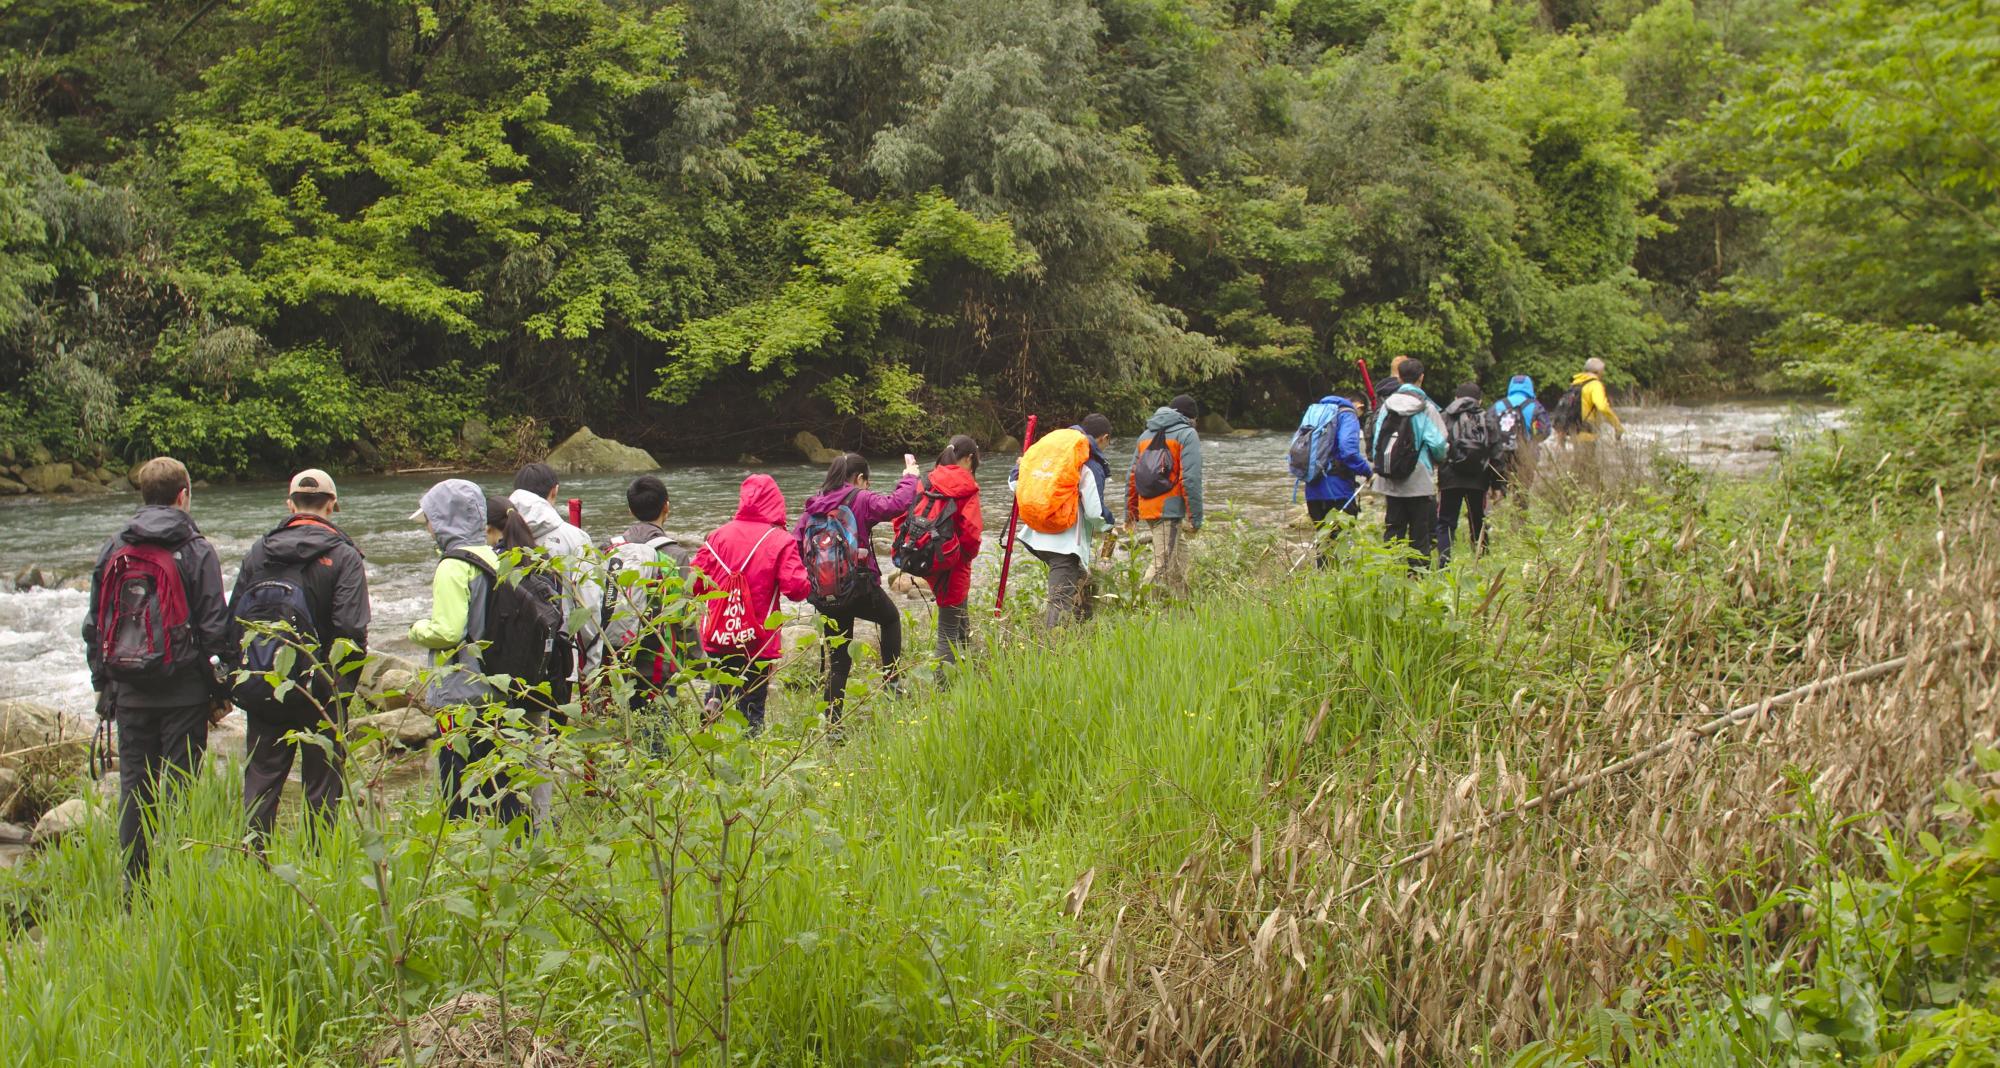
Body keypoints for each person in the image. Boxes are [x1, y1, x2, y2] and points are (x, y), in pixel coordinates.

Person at [82, 456, 232, 886]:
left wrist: (104, 685)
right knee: (180, 788)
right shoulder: (196, 549)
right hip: (183, 692)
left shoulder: (115, 546)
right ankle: (176, 881)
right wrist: (220, 690)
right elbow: (214, 629)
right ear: (183, 495)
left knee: (135, 788)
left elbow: (95, 624)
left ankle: (135, 886)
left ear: (143, 495)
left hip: (128, 691)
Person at [227, 468, 370, 843]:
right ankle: (320, 866)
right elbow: (351, 629)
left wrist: (235, 679)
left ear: (290, 504)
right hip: (320, 689)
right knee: (322, 787)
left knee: (261, 779)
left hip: (263, 683)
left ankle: (253, 865)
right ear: (333, 504)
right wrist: (342, 690)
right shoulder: (343, 555)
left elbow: (234, 622)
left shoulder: (259, 550)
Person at [408, 479, 518, 823]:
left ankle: (462, 846)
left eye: (429, 520)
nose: (427, 528)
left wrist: (416, 629)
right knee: (501, 778)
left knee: (459, 782)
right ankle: (515, 845)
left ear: (443, 519)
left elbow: (448, 631)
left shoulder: (452, 565)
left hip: (461, 690)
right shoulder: (497, 556)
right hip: (499, 686)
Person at [797, 451, 920, 722]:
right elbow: (896, 503)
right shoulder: (860, 498)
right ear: (860, 478)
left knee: (839, 661)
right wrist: (910, 478)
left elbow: (798, 548)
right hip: (859, 587)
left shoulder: (813, 507)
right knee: (890, 619)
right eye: (867, 481)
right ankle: (892, 685)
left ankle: (833, 725)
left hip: (825, 594)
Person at [691, 474, 809, 735]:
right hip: (758, 638)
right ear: (776, 502)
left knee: (722, 678)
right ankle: (750, 752)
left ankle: (713, 706)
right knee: (752, 702)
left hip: (720, 630)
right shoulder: (780, 540)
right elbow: (796, 589)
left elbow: (694, 584)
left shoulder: (716, 536)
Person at [508, 463, 603, 710]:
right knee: (555, 730)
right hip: (558, 651)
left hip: (506, 653)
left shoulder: (496, 530)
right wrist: (592, 662)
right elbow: (589, 603)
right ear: (555, 491)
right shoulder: (573, 537)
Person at [603, 475, 694, 720]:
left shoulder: (609, 549)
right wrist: (698, 660)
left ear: (630, 509)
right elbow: (681, 615)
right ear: (666, 506)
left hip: (612, 655)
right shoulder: (675, 555)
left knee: (621, 728)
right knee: (657, 731)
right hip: (658, 660)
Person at [1013, 416, 1111, 627]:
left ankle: (1085, 631)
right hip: (1064, 545)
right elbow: (1095, 512)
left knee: (1085, 582)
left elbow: (1014, 483)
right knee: (1059, 603)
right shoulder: (1089, 463)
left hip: (1035, 536)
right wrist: (1108, 524)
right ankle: (1051, 650)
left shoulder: (1052, 453)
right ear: (1104, 438)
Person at [897, 435, 984, 666]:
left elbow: (902, 517)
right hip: (953, 564)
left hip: (926, 557)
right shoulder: (967, 488)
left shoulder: (926, 480)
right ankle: (943, 691)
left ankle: (966, 672)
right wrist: (961, 558)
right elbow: (972, 536)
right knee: (947, 635)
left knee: (958, 618)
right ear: (968, 459)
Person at [1369, 358, 1449, 571]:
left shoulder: (1387, 405)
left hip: (1391, 476)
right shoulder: (1426, 408)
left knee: (1393, 529)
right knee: (1419, 533)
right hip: (1419, 478)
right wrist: (1439, 459)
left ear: (1399, 377)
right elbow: (1439, 443)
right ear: (1421, 378)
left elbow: (1377, 440)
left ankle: (1390, 575)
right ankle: (1418, 576)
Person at [1125, 395, 1205, 598]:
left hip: (1147, 507)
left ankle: (1183, 606)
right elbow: (1191, 479)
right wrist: (1195, 518)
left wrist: (1131, 513)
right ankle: (1137, 606)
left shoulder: (1145, 436)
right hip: (1168, 509)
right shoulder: (1187, 434)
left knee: (1179, 557)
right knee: (1162, 563)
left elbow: (1132, 476)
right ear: (1192, 418)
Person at [1291, 390, 1372, 568]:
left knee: (1324, 540)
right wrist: (1367, 471)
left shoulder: (1316, 412)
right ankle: (1338, 586)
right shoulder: (1348, 414)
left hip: (1313, 489)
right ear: (1360, 406)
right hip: (1337, 490)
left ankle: (1322, 584)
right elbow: (1348, 451)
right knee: (1340, 541)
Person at [1436, 382, 1505, 566]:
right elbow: (1496, 453)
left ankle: (1444, 563)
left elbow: (1437, 445)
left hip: (1450, 477)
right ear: (1480, 400)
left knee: (1445, 521)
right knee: (1478, 519)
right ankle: (1481, 562)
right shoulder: (1487, 418)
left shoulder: (1444, 417)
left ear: (1456, 398)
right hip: (1478, 477)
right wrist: (1498, 485)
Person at [1491, 373, 1550, 486]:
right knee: (1522, 491)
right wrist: (1533, 441)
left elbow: (1487, 429)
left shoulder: (1498, 405)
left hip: (1500, 455)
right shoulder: (1535, 406)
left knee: (1500, 489)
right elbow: (1545, 431)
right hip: (1526, 454)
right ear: (1530, 387)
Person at [1557, 357, 1625, 446]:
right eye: (1602, 371)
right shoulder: (1595, 385)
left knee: (1578, 459)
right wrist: (1617, 426)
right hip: (1587, 433)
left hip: (1573, 431)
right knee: (1587, 459)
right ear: (1598, 372)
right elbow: (1602, 407)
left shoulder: (1576, 383)